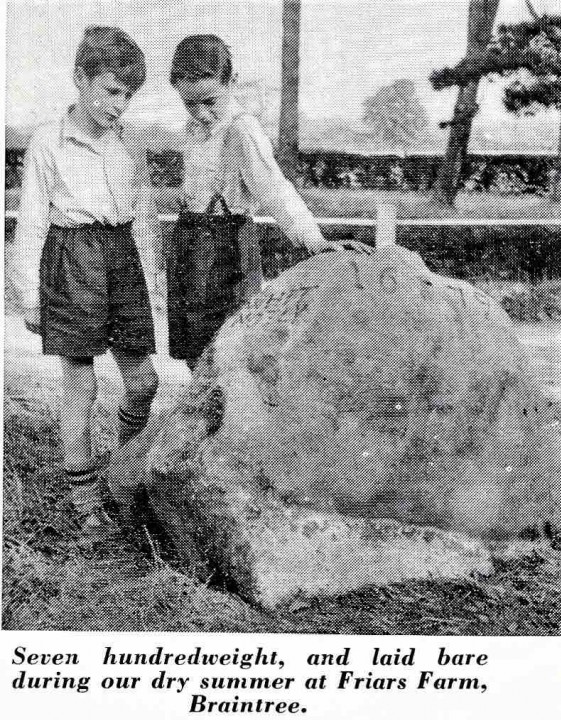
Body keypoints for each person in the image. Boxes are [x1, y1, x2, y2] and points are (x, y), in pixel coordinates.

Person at [10, 26, 160, 542]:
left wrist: (152, 273)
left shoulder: (130, 141)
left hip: (122, 259)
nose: (119, 105)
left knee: (144, 383)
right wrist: (27, 291)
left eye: (128, 95)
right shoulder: (49, 140)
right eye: (111, 91)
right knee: (81, 387)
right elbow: (30, 219)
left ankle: (124, 473)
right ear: (81, 80)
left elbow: (144, 212)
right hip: (71, 257)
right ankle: (83, 496)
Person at [167, 34, 334, 365]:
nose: (200, 113)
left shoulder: (242, 129)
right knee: (196, 345)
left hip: (226, 251)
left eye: (209, 101)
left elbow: (273, 187)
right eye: (189, 103)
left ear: (232, 83)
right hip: (190, 246)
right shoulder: (193, 130)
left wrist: (311, 237)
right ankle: (206, 409)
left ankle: (229, 412)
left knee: (230, 346)